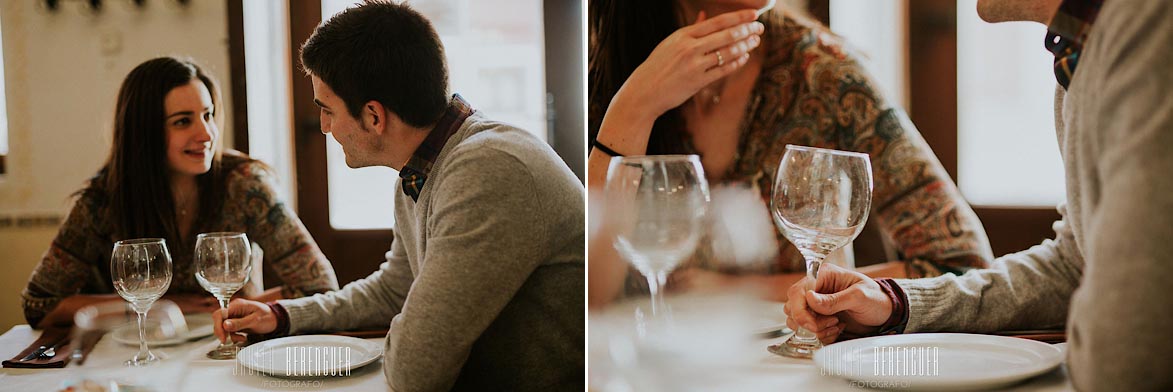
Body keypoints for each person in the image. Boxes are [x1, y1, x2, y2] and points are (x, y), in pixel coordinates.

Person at [782, 0, 1173, 389]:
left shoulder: (1147, 26)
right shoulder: (1078, 58)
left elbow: (1127, 365)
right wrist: (893, 303)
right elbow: (1074, 266)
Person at [211, 2, 585, 390]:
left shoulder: (488, 170)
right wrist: (282, 316)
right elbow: (395, 289)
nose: (323, 127)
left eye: (327, 110)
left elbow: (414, 371)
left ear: (374, 116)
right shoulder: (422, 169)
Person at [587, 0, 993, 306]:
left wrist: (744, 292)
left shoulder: (825, 73)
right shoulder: (596, 69)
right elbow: (587, 296)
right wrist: (635, 108)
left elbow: (961, 266)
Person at [20, 57, 340, 329]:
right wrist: (159, 305)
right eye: (183, 121)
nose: (206, 134)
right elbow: (40, 304)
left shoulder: (245, 186)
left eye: (208, 115)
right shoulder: (103, 200)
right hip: (135, 355)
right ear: (145, 133)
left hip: (230, 346)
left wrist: (244, 308)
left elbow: (320, 287)